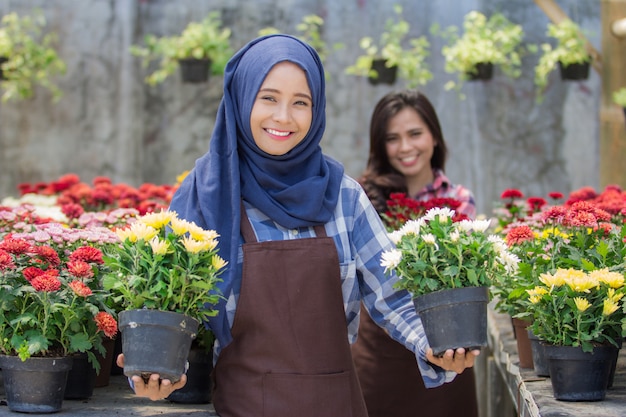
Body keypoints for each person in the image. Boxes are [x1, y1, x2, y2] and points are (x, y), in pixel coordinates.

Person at [116, 35, 479, 416]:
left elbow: (393, 295)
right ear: (241, 99)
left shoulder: (343, 197)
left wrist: (432, 344)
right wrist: (157, 374)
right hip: (245, 405)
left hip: (337, 403)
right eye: (268, 97)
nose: (284, 117)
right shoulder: (208, 194)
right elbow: (168, 307)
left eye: (300, 103)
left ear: (317, 108)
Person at [352, 89, 479, 417]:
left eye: (415, 134)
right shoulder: (361, 198)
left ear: (434, 137)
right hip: (379, 360)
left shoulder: (458, 200)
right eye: (392, 138)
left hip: (449, 352)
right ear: (381, 146)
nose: (405, 147)